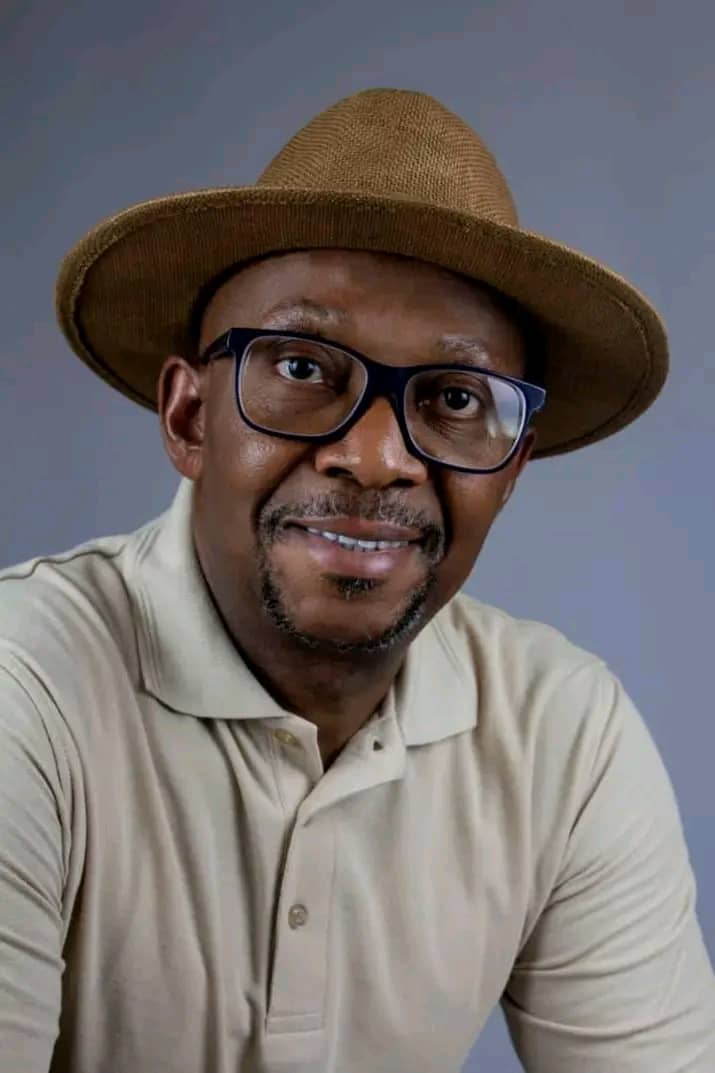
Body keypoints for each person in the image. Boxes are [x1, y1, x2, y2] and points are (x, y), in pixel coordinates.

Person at [0, 88, 713, 1073]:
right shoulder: (25, 692)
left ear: (510, 468)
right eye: (302, 368)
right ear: (190, 417)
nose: (376, 458)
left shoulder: (561, 732)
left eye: (454, 396)